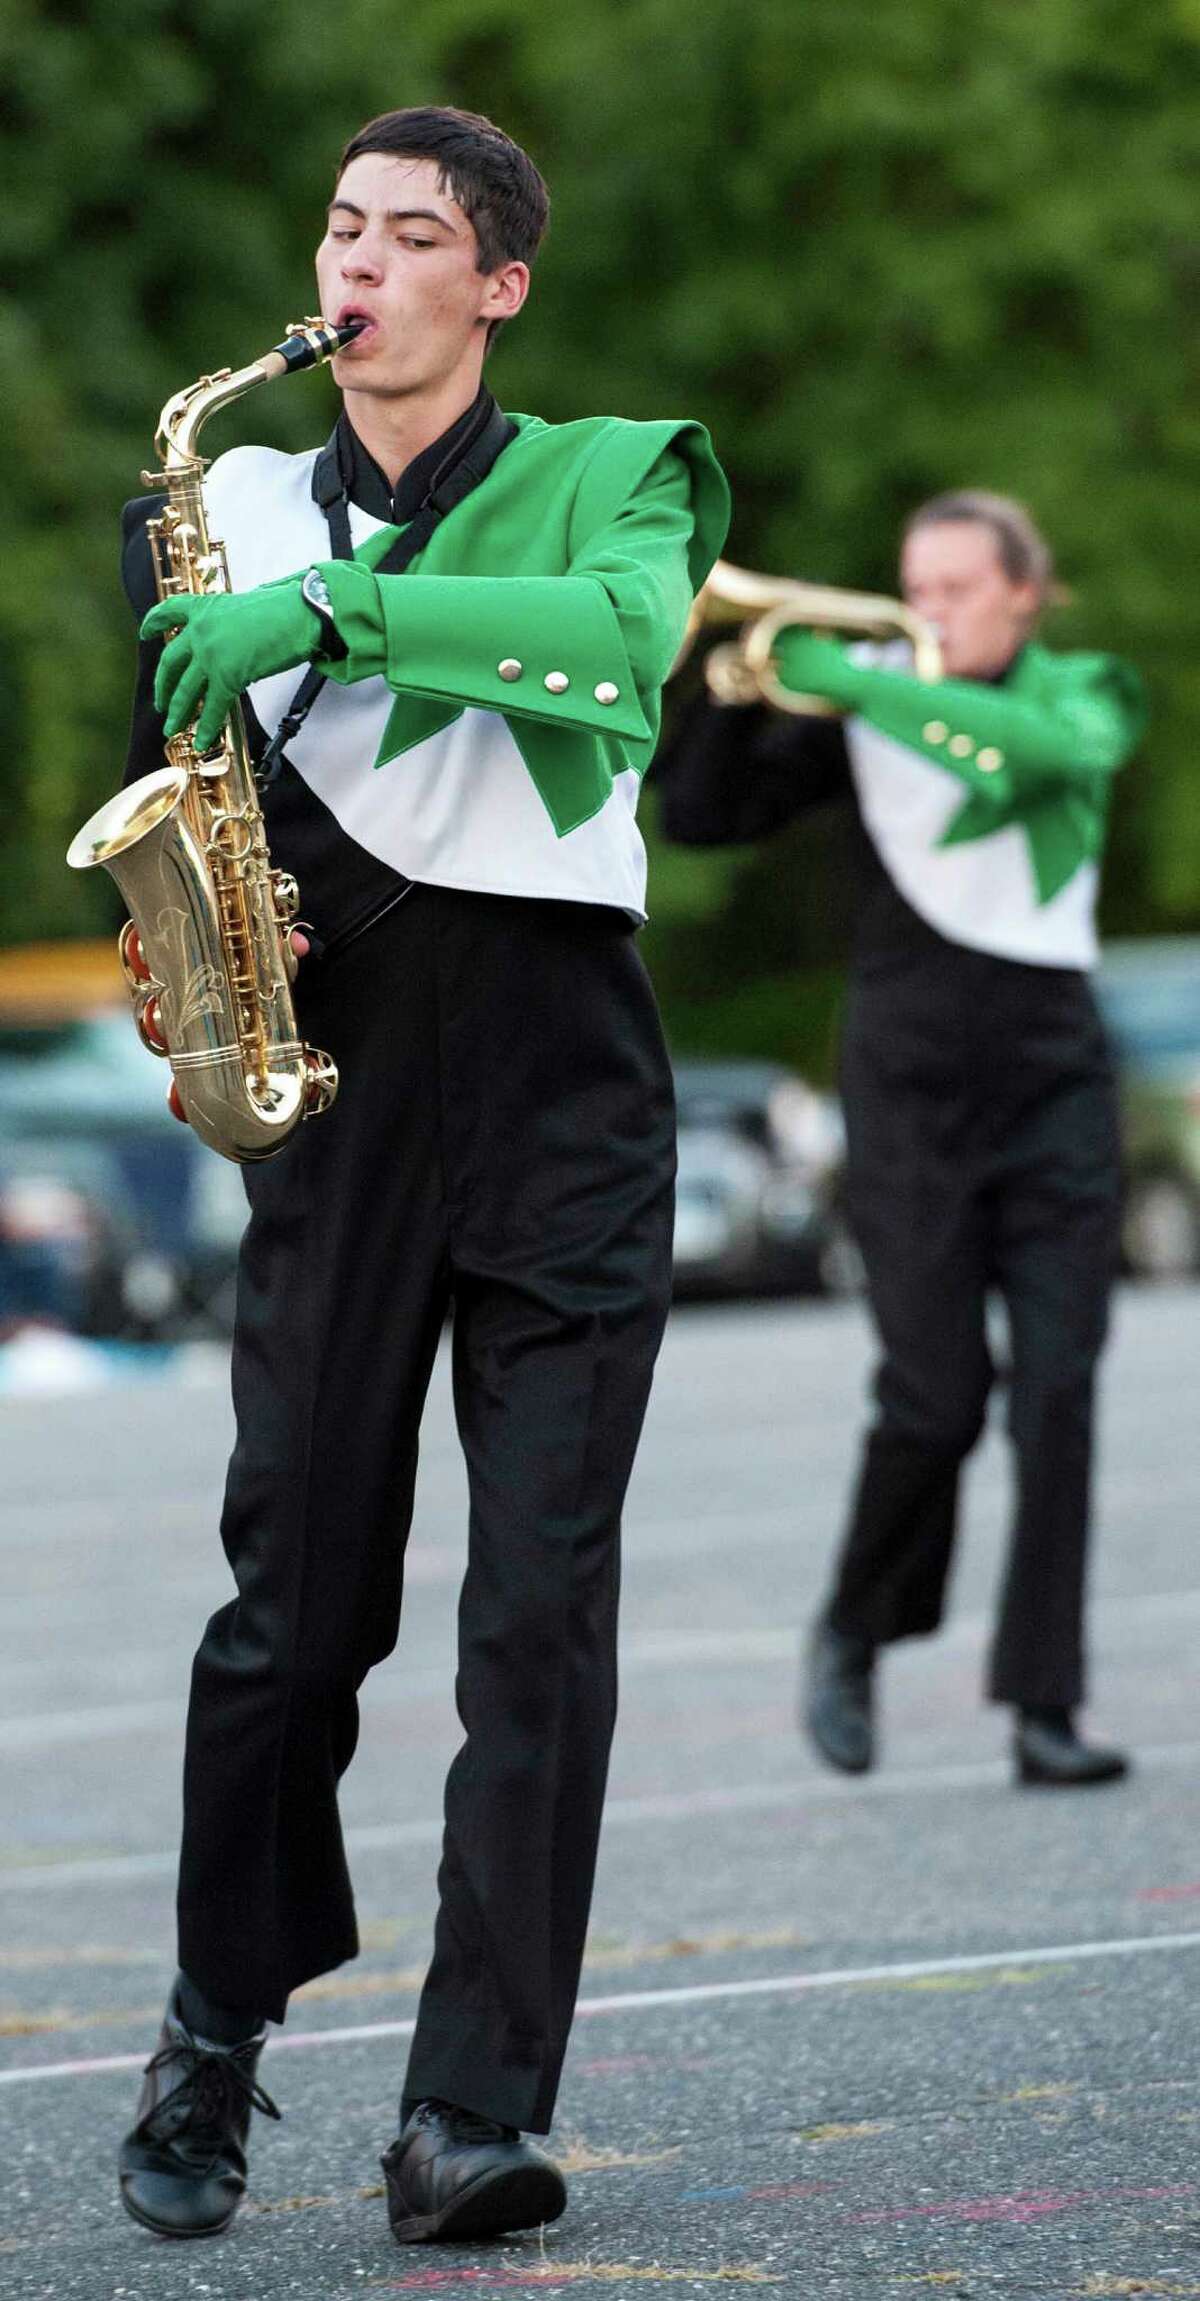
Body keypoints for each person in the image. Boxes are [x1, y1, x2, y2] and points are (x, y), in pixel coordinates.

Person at [114, 104, 728, 2248]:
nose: (359, 264)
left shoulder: (621, 469)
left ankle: (472, 2104)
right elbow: (195, 786)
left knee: (540, 1622)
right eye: (342, 226)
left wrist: (345, 617)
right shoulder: (221, 496)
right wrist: (191, 960)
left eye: (411, 235)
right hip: (341, 1087)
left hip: (567, 1081)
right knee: (298, 1614)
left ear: (501, 285)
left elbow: (619, 646)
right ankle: (215, 2017)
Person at [656, 492, 1145, 1792]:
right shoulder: (859, 698)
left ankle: (1045, 1702)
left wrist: (855, 686)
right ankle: (857, 1627)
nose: (928, 610)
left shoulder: (1083, 686)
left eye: (959, 588)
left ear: (1024, 596)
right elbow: (702, 817)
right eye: (915, 586)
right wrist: (733, 684)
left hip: (1053, 1081)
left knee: (1058, 1395)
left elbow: (1040, 763)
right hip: (911, 1080)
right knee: (934, 1395)